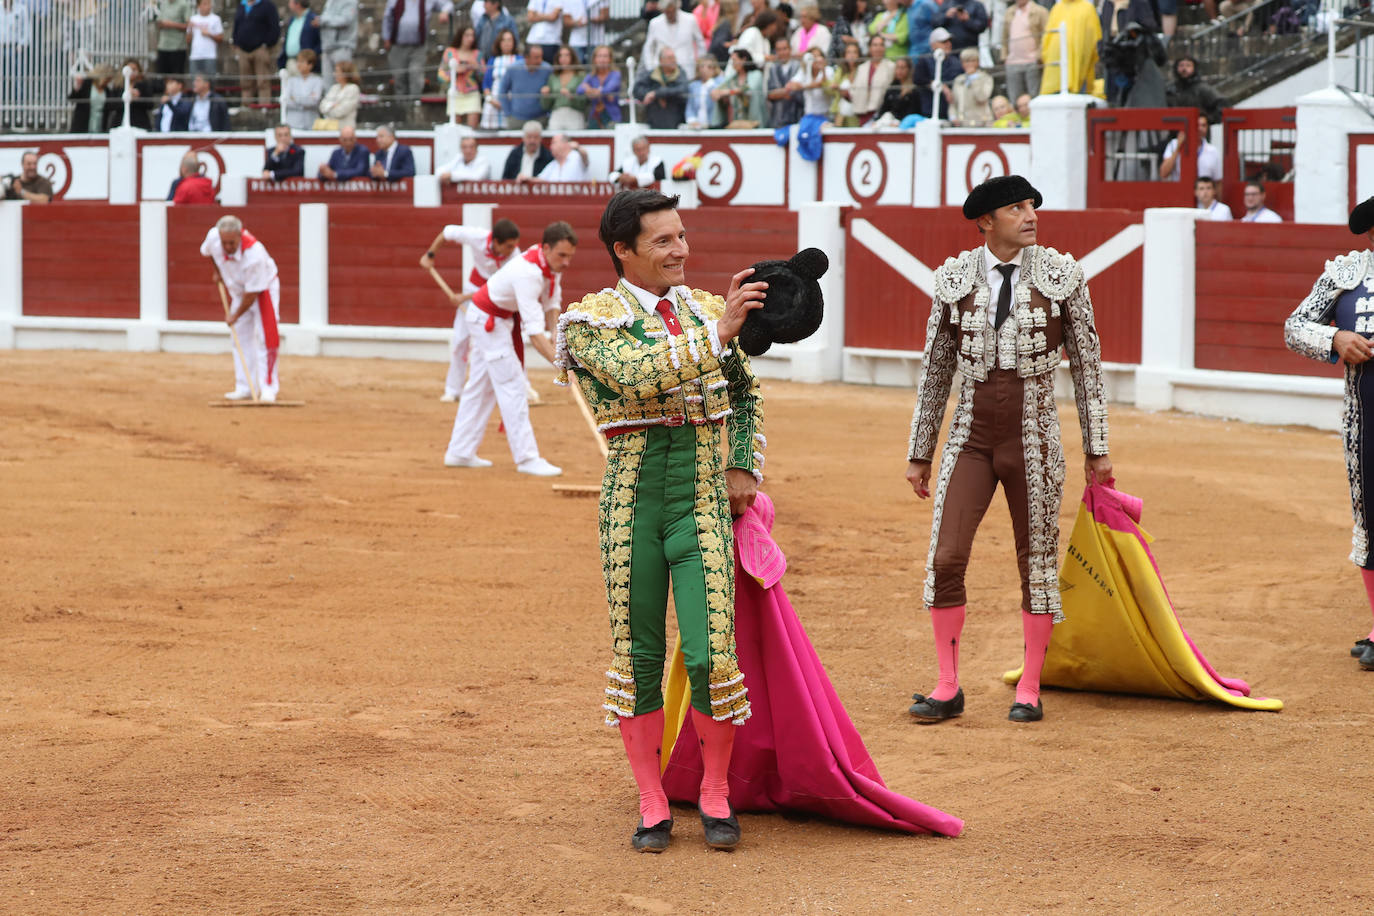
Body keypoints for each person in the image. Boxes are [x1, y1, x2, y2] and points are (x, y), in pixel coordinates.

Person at [554, 188, 765, 852]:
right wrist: (720, 335)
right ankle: (651, 801)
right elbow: (636, 377)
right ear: (624, 251)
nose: (682, 250)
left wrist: (742, 465)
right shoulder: (588, 323)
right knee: (638, 656)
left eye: (683, 236)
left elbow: (744, 394)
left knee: (712, 653)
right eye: (665, 241)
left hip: (700, 499)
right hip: (633, 505)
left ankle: (715, 791)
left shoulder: (705, 308)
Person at [905, 175, 1112, 724]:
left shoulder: (1063, 277)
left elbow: (1088, 367)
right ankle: (948, 685)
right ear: (986, 221)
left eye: (1032, 206)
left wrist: (1098, 448)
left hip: (1036, 437)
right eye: (1016, 208)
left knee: (1037, 563)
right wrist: (920, 451)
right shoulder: (953, 279)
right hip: (969, 437)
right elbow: (935, 371)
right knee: (946, 557)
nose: (1030, 215)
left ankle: (1031, 685)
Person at [1288, 200, 1374, 671]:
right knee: (1371, 516)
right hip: (1366, 416)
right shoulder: (1346, 273)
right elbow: (1295, 326)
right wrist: (1336, 340)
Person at [442, 220, 574, 477]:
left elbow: (551, 307)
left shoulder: (550, 264)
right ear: (546, 248)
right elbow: (535, 334)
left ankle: (459, 452)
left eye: (570, 256)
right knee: (513, 385)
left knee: (481, 386)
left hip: (491, 319)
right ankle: (527, 458)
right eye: (562, 255)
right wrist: (561, 365)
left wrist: (560, 348)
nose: (566, 261)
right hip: (489, 323)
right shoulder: (529, 273)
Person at [421, 217, 521, 401]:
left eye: (514, 245)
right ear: (496, 242)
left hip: (496, 299)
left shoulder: (515, 256)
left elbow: (500, 287)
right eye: (508, 246)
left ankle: (520, 387)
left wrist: (463, 297)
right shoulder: (478, 236)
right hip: (473, 291)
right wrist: (430, 255)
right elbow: (447, 231)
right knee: (460, 340)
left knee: (506, 343)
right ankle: (453, 389)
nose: (512, 250)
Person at [202, 214, 283, 402]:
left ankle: (268, 387)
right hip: (239, 291)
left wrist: (234, 315)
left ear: (241, 235)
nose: (228, 248)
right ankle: (245, 386)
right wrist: (217, 271)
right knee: (239, 336)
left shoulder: (255, 255)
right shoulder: (214, 237)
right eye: (225, 243)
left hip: (263, 291)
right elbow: (209, 253)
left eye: (232, 243)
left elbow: (252, 294)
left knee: (267, 337)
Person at [381, 0, 452, 100]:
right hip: (398, 45)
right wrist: (386, 37)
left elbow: (447, 4)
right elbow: (387, 17)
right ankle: (402, 108)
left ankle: (414, 105)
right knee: (399, 77)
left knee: (416, 75)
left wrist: (444, 12)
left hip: (418, 47)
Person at [1039, 0, 1099, 95]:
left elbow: (1091, 37)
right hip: (1056, 63)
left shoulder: (1087, 8)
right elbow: (1048, 36)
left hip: (1079, 61)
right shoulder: (1057, 8)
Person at [232, 0, 281, 106]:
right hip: (242, 50)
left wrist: (266, 44)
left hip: (260, 49)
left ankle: (264, 106)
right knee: (245, 82)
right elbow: (236, 25)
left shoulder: (268, 6)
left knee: (263, 81)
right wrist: (236, 42)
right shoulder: (241, 5)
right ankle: (246, 106)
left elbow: (274, 28)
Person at [1000, 0, 1046, 101]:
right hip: (1012, 62)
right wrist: (1004, 57)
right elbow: (1004, 37)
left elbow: (1046, 35)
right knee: (1014, 99)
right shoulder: (1009, 12)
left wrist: (1038, 57)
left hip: (1033, 62)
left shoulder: (1040, 11)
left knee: (1035, 97)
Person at [643, 0, 704, 75]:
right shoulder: (654, 23)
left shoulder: (690, 20)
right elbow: (648, 48)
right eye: (667, 12)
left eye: (672, 11)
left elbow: (700, 43)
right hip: (662, 70)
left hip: (686, 69)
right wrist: (650, 67)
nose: (670, 15)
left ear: (676, 8)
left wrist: (699, 64)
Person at [499, 43, 552, 128]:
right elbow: (502, 91)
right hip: (516, 119)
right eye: (536, 57)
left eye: (541, 57)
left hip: (540, 119)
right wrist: (508, 113)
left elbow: (553, 90)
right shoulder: (513, 69)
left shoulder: (547, 69)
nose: (540, 60)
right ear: (526, 58)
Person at [438, 25, 482, 127]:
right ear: (460, 36)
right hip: (455, 93)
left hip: (472, 93)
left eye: (472, 35)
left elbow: (483, 76)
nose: (470, 39)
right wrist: (455, 71)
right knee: (455, 127)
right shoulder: (450, 53)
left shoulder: (477, 54)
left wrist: (476, 67)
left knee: (472, 129)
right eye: (467, 35)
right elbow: (441, 76)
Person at [636, 47, 690, 129]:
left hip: (676, 119)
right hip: (654, 119)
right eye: (669, 58)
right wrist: (652, 95)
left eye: (674, 57)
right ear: (661, 61)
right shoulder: (651, 74)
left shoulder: (680, 74)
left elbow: (683, 89)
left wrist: (656, 94)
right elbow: (637, 90)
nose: (673, 60)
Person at [912, 27, 959, 119]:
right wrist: (939, 86)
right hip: (929, 110)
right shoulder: (924, 60)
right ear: (933, 45)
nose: (948, 44)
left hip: (952, 111)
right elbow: (918, 79)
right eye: (943, 42)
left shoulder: (956, 62)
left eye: (949, 41)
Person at [1161, 113, 1222, 182]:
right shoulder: (1174, 144)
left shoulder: (1213, 151)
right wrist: (1178, 147)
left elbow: (1218, 181)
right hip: (1181, 190)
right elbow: (1164, 173)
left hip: (1203, 191)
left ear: (1207, 128)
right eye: (1197, 125)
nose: (1200, 128)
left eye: (1203, 125)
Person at [1167, 55, 1225, 124]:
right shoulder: (1170, 90)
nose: (1184, 69)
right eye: (1181, 65)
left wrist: (1207, 119)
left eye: (1188, 65)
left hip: (1197, 130)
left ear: (1194, 68)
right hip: (1174, 130)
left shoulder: (1203, 89)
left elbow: (1222, 105)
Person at [714, 47, 764, 126]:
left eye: (734, 60)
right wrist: (717, 93)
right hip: (737, 122)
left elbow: (748, 88)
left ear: (744, 59)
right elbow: (718, 90)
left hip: (754, 121)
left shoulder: (756, 74)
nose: (733, 64)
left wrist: (729, 92)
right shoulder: (732, 78)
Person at [851, 33, 894, 124]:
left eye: (881, 45)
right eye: (875, 45)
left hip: (882, 113)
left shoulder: (891, 66)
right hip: (862, 112)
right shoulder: (862, 68)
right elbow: (854, 89)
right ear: (870, 48)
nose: (878, 48)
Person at [543, 45, 588, 130]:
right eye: (561, 56)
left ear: (572, 57)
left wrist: (571, 97)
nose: (563, 58)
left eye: (567, 55)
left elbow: (584, 102)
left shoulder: (580, 76)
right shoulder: (553, 77)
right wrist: (545, 96)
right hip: (557, 114)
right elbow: (546, 105)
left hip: (574, 114)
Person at [578, 44, 622, 128]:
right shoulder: (591, 76)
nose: (602, 59)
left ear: (610, 59)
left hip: (612, 116)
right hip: (595, 116)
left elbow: (607, 90)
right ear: (594, 59)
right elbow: (579, 90)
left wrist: (589, 90)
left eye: (605, 56)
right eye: (599, 56)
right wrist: (600, 92)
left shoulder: (615, 74)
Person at [280, 47, 323, 129]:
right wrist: (305, 101)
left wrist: (295, 99)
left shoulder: (317, 80)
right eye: (298, 61)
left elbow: (314, 101)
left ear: (310, 65)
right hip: (293, 124)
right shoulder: (291, 80)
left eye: (302, 62)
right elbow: (286, 101)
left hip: (311, 123)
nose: (299, 64)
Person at [947, 46, 991, 125]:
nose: (970, 64)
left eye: (973, 60)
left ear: (978, 62)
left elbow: (981, 98)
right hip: (962, 123)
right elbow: (953, 103)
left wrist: (974, 80)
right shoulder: (958, 80)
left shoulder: (986, 78)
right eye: (967, 61)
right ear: (962, 63)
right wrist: (953, 117)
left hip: (981, 123)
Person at [67, 64, 116, 133]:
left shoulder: (107, 90)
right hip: (83, 124)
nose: (109, 81)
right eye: (108, 78)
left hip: (99, 123)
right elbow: (72, 98)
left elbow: (112, 105)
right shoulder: (87, 84)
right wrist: (77, 88)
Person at [765, 37, 801, 128]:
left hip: (797, 116)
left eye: (784, 49)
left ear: (790, 49)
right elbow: (770, 95)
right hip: (778, 118)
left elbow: (799, 92)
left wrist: (779, 93)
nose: (782, 52)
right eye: (779, 50)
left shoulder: (798, 66)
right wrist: (787, 91)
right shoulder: (773, 68)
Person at [277, 0, 321, 74]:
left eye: (290, 2)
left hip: (306, 63)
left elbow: (320, 41)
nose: (289, 4)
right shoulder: (292, 20)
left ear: (298, 4)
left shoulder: (313, 19)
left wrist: (311, 57)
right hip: (290, 61)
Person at [317, 0, 357, 81]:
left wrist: (323, 20)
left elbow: (346, 20)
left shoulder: (351, 2)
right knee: (327, 82)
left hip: (342, 46)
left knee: (344, 80)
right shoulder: (330, 1)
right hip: (327, 46)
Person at [187, 0, 225, 80]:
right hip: (195, 56)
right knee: (195, 83)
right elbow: (188, 40)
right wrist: (190, 28)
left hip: (210, 56)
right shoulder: (193, 19)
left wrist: (209, 34)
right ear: (198, 6)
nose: (208, 6)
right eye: (205, 4)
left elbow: (221, 39)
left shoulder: (216, 19)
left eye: (209, 4)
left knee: (210, 82)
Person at [827, 41, 862, 126]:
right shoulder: (840, 71)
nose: (852, 55)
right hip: (840, 113)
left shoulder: (862, 70)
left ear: (859, 55)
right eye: (849, 52)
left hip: (856, 113)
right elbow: (830, 89)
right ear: (845, 55)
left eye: (855, 52)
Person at [876, 55, 920, 122]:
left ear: (909, 69)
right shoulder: (892, 88)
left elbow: (914, 112)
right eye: (897, 67)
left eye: (902, 68)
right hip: (890, 123)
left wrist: (900, 122)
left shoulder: (914, 90)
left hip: (906, 125)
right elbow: (884, 109)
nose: (899, 71)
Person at [319, 58, 361, 127]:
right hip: (330, 129)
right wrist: (333, 105)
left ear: (345, 73)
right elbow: (322, 106)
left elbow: (341, 111)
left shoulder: (353, 88)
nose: (335, 74)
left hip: (346, 130)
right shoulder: (334, 87)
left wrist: (329, 108)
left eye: (337, 71)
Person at [155, 0, 194, 76]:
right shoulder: (164, 4)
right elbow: (159, 22)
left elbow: (188, 26)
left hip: (178, 47)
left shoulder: (183, 4)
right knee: (161, 77)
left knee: (177, 77)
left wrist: (172, 24)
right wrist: (161, 24)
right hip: (163, 46)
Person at [686, 55, 725, 128]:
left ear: (714, 69)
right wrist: (693, 121)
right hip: (697, 128)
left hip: (715, 126)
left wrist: (709, 82)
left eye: (709, 67)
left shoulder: (721, 82)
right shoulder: (693, 85)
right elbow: (690, 107)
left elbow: (717, 96)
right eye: (702, 66)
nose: (705, 70)